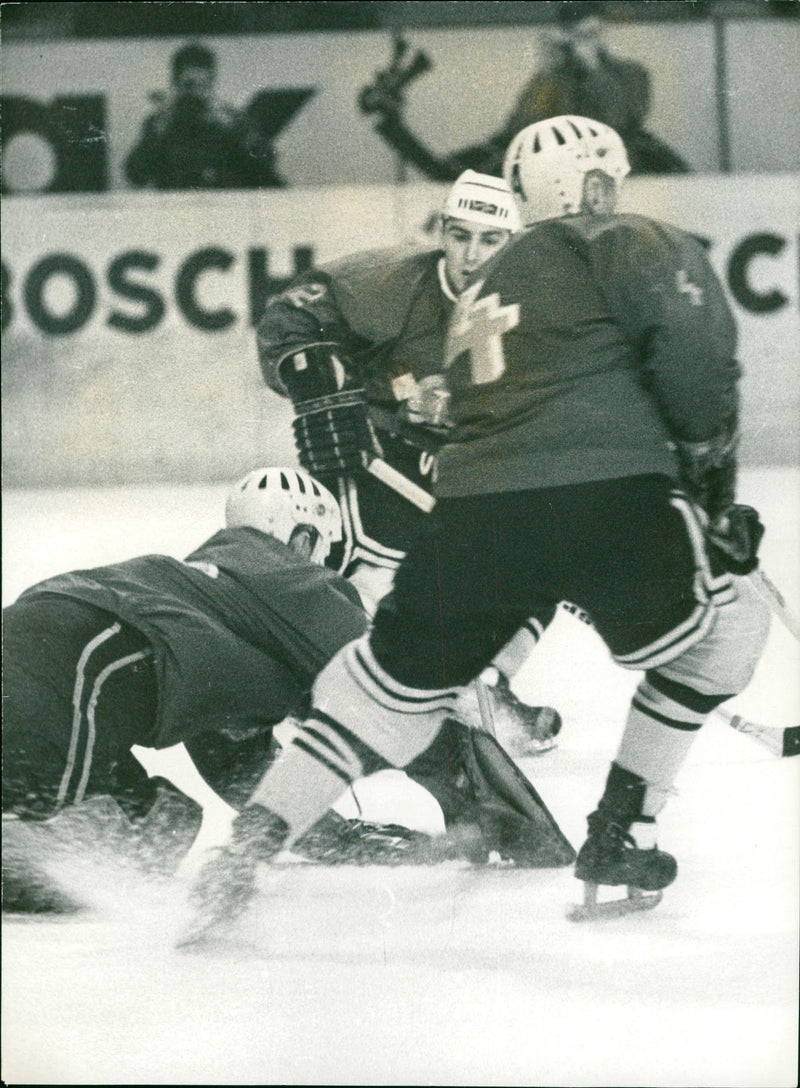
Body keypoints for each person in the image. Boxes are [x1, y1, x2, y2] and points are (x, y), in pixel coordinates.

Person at [183, 115, 769, 940]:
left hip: (475, 512)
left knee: (385, 687)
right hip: (611, 495)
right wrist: (711, 498)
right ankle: (622, 834)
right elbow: (699, 370)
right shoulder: (642, 241)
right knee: (731, 628)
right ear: (609, 178)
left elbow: (477, 421)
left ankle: (252, 843)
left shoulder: (483, 291)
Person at [3, 467, 572, 913]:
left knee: (160, 830)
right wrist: (479, 799)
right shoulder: (291, 578)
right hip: (77, 660)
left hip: (57, 654)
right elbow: (393, 689)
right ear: (301, 537)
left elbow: (239, 769)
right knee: (54, 836)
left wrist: (339, 839)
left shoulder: (212, 607)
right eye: (322, 551)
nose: (328, 570)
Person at [257, 168, 562, 754]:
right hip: (375, 458)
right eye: (460, 235)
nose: (471, 255)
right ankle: (313, 688)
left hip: (473, 468)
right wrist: (319, 387)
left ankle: (488, 684)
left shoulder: (543, 309)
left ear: (515, 243)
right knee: (336, 553)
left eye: (490, 240)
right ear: (442, 232)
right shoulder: (394, 282)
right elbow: (287, 318)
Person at [359, 3, 690, 180]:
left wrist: (591, 65)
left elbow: (621, 119)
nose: (580, 45)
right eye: (576, 37)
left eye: (588, 35)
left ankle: (386, 123)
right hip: (553, 163)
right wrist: (547, 73)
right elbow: (518, 129)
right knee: (453, 173)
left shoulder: (629, 73)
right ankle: (387, 123)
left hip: (609, 163)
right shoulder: (554, 76)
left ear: (602, 33)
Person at [124, 41, 284, 190]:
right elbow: (135, 177)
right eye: (189, 85)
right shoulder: (161, 123)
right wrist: (158, 134)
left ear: (212, 84)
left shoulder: (230, 120)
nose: (196, 93)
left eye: (204, 85)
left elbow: (267, 163)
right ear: (176, 84)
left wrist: (235, 130)